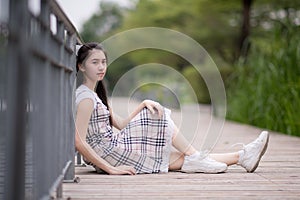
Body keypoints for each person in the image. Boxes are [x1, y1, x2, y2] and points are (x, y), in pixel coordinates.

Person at [75, 42, 269, 175]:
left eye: (103, 62)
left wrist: (142, 105)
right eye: (94, 62)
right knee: (161, 122)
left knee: (180, 157)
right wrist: (110, 168)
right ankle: (205, 156)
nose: (101, 67)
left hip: (114, 147)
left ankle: (242, 157)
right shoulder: (86, 99)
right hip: (109, 154)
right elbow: (79, 141)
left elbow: (121, 124)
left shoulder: (94, 95)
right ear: (81, 66)